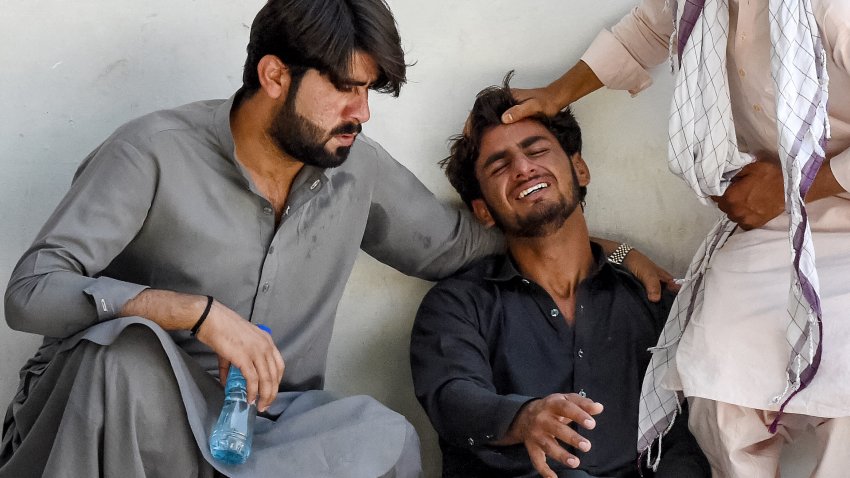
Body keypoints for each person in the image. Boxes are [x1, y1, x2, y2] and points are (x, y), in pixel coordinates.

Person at [0, 1, 671, 477]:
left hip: (266, 429)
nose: (362, 112)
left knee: (383, 438)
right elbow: (31, 293)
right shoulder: (151, 152)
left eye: (370, 91)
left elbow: (486, 241)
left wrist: (608, 252)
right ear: (273, 77)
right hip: (126, 418)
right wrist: (192, 314)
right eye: (345, 89)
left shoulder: (356, 169)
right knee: (126, 359)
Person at [501, 0, 850, 476]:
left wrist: (795, 187)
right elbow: (643, 31)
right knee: (716, 385)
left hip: (826, 203)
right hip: (780, 225)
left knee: (845, 401)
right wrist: (556, 94)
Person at [410, 75, 710, 478]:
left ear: (579, 169)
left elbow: (682, 438)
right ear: (482, 210)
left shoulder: (650, 297)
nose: (522, 167)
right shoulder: (459, 305)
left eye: (536, 150)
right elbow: (452, 398)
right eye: (499, 165)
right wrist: (523, 417)